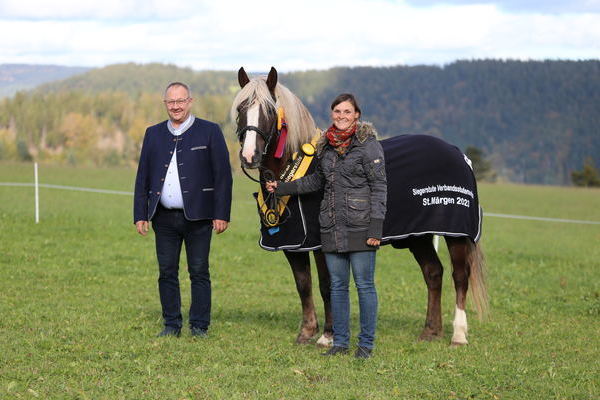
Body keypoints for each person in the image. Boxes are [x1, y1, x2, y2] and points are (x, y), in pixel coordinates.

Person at [266, 93, 387, 358]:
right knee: (338, 287)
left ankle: (365, 345)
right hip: (331, 227)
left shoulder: (368, 146)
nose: (342, 116)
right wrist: (282, 187)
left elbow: (379, 187)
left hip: (361, 226)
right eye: (337, 112)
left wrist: (376, 228)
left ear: (357, 115)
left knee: (365, 286)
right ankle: (340, 343)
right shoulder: (326, 146)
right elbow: (315, 181)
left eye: (347, 112)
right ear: (332, 114)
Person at [133, 82, 232, 338]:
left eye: (180, 101)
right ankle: (171, 325)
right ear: (165, 104)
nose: (176, 106)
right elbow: (142, 176)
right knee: (166, 272)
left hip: (199, 216)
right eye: (171, 102)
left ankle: (199, 326)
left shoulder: (210, 131)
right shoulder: (153, 134)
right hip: (163, 217)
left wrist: (222, 213)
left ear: (190, 101)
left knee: (199, 271)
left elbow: (223, 176)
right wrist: (140, 214)